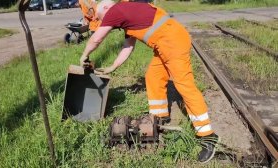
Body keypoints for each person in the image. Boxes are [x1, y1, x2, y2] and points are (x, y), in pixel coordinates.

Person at [79, 0, 219, 163]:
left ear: (105, 8)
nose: (105, 22)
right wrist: (113, 66)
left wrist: (84, 56)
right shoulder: (126, 13)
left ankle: (208, 136)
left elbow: (97, 38)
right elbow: (128, 46)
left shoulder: (115, 10)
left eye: (102, 17)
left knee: (185, 86)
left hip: (172, 42)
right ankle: (159, 118)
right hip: (165, 44)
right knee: (153, 76)